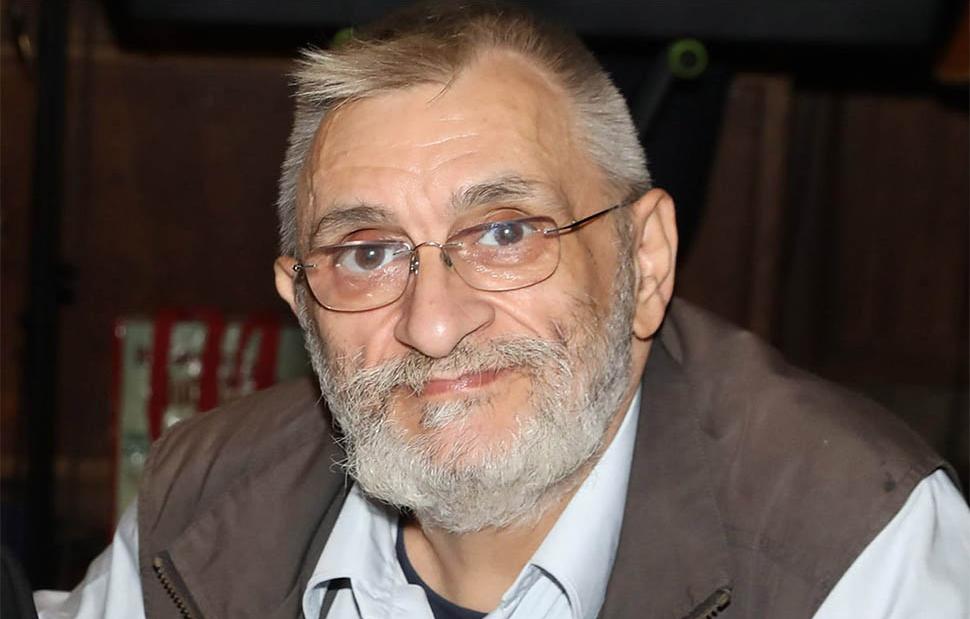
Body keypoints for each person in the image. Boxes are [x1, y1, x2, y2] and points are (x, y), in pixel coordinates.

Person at [35, 2, 970, 618]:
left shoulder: (852, 542)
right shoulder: (203, 505)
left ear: (645, 259)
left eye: (505, 233)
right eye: (367, 253)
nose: (435, 324)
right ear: (301, 303)